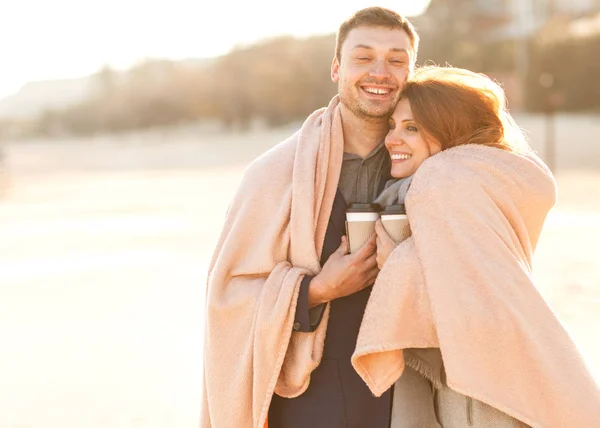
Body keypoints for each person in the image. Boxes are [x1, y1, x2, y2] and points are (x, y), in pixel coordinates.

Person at [201, 7, 419, 428]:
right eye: (363, 57)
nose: (380, 72)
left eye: (396, 60)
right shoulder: (275, 173)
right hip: (314, 394)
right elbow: (226, 298)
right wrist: (316, 290)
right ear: (336, 68)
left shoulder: (436, 164)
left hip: (415, 388)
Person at [349, 66, 600, 427]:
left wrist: (397, 260)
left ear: (451, 131)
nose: (392, 140)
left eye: (412, 128)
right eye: (393, 125)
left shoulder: (442, 180)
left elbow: (461, 290)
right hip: (510, 366)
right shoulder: (482, 184)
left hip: (476, 385)